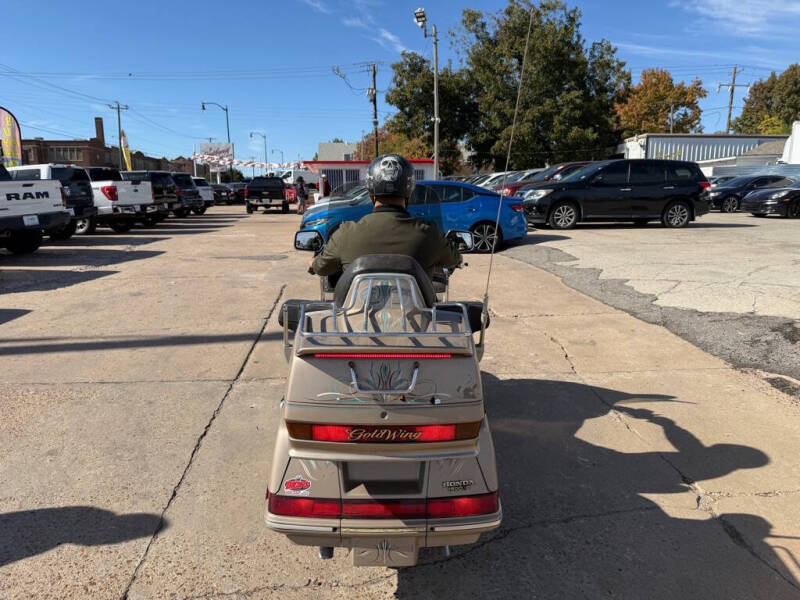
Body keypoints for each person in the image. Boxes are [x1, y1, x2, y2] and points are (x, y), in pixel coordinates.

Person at [310, 153, 461, 279]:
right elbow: (453, 259)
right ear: (409, 192)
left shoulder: (345, 233)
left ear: (370, 195)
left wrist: (312, 262)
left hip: (358, 314)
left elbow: (321, 268)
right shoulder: (429, 233)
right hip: (415, 314)